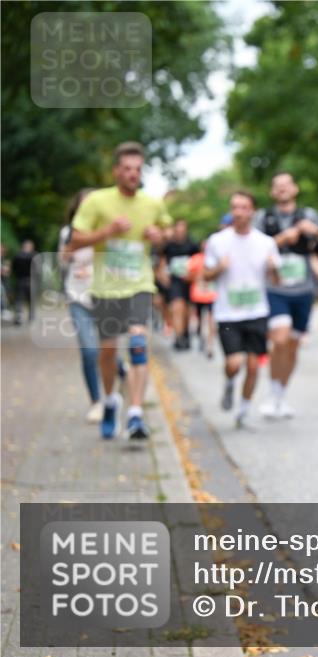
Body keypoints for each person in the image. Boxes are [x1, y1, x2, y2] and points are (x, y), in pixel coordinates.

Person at [68, 141, 172, 439]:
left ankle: (136, 414)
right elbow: (74, 240)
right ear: (116, 171)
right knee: (108, 352)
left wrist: (159, 235)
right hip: (106, 288)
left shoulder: (152, 204)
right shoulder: (97, 202)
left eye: (137, 169)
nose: (132, 174)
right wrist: (107, 232)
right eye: (127, 169)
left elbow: (166, 233)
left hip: (139, 284)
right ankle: (111, 399)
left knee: (138, 342)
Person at [253, 172, 318, 418]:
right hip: (275, 289)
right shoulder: (263, 218)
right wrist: (280, 239)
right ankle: (272, 391)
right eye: (277, 186)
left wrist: (316, 232)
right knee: (280, 339)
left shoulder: (308, 215)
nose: (282, 189)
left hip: (303, 291)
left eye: (286, 185)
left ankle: (280, 394)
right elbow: (252, 251)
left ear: (295, 189)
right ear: (272, 192)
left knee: (293, 346)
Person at [202, 192, 279, 428]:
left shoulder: (266, 242)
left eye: (244, 207)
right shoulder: (217, 241)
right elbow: (205, 275)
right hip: (228, 312)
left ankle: (243, 411)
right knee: (234, 363)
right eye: (234, 207)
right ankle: (229, 382)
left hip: (257, 311)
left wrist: (272, 269)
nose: (238, 212)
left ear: (252, 211)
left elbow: (276, 281)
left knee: (254, 366)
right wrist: (219, 269)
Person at [58, 188, 104, 422]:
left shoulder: (106, 231)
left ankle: (121, 376)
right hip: (77, 296)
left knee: (108, 352)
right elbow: (62, 259)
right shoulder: (68, 232)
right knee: (89, 351)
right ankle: (96, 402)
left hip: (104, 296)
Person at [159, 219, 199, 350]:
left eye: (183, 230)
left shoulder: (192, 245)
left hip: (189, 281)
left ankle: (186, 334)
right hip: (175, 281)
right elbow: (162, 261)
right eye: (178, 230)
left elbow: (199, 261)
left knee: (187, 310)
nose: (180, 232)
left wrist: (195, 276)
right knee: (177, 308)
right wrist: (162, 275)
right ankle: (179, 337)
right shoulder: (169, 246)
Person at [188, 240, 218, 359]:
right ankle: (201, 337)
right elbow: (188, 275)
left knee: (212, 321)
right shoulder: (195, 259)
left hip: (213, 295)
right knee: (200, 319)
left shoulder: (216, 259)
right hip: (198, 295)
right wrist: (198, 276)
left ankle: (210, 346)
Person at [11, 239, 36, 325]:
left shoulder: (17, 256)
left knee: (19, 300)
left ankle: (19, 317)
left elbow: (13, 268)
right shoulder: (34, 256)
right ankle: (31, 317)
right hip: (30, 281)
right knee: (30, 300)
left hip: (20, 280)